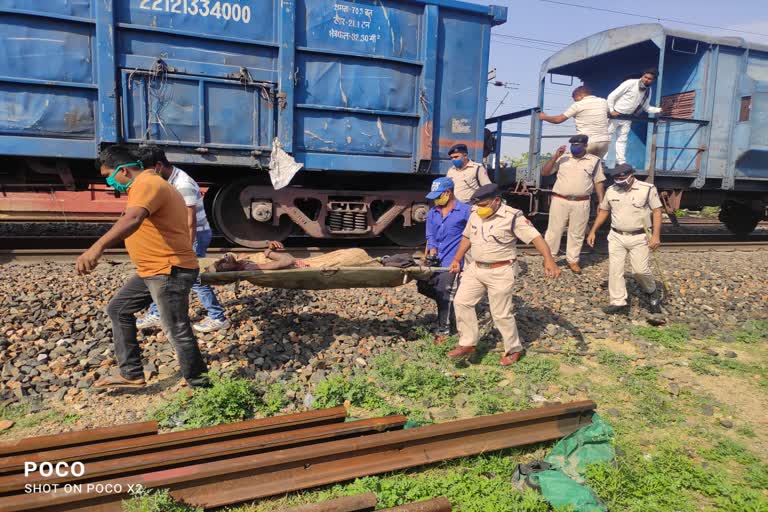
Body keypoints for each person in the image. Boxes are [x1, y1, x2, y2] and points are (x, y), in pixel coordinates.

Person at [76, 146, 208, 389]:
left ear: (123, 170)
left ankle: (202, 385)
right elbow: (131, 219)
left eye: (108, 176)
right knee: (118, 309)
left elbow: (133, 219)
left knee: (176, 329)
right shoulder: (146, 185)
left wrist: (97, 247)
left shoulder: (147, 183)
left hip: (169, 270)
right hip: (153, 270)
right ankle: (131, 373)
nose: (108, 182)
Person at [446, 184, 561, 366]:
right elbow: (467, 237)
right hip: (475, 268)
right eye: (478, 205)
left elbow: (536, 237)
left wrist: (549, 260)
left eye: (484, 204)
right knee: (461, 302)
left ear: (496, 201)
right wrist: (457, 259)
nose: (480, 208)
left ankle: (514, 349)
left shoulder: (512, 217)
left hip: (500, 270)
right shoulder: (476, 212)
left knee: (500, 313)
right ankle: (468, 343)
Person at [135, 146, 230, 333]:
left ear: (159, 166)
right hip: (180, 234)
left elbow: (190, 222)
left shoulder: (182, 184)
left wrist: (186, 248)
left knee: (193, 278)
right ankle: (156, 313)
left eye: (147, 170)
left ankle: (217, 317)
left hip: (193, 235)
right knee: (166, 272)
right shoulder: (167, 179)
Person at [586, 163, 663, 315]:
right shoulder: (611, 190)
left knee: (639, 271)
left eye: (622, 178)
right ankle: (618, 302)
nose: (619, 181)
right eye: (616, 178)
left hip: (640, 236)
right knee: (615, 270)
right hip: (616, 236)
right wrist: (593, 231)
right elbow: (604, 211)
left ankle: (651, 291)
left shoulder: (647, 189)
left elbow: (657, 212)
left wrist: (656, 236)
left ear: (631, 175)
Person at [541, 134, 607, 273]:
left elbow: (598, 182)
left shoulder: (594, 161)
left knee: (577, 233)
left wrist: (601, 201)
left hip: (581, 202)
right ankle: (550, 258)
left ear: (585, 146)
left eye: (578, 145)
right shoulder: (562, 158)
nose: (574, 147)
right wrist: (555, 157)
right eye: (573, 144)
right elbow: (545, 173)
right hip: (560, 200)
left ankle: (573, 260)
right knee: (554, 231)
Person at [419, 177, 471, 345]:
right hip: (436, 259)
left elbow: (471, 235)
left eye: (438, 195)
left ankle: (444, 329)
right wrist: (432, 251)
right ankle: (450, 306)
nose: (435, 199)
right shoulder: (433, 213)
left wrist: (460, 258)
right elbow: (430, 235)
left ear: (448, 193)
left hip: (453, 260)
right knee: (423, 286)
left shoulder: (465, 211)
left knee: (444, 290)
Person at [607, 69, 663, 165]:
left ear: (653, 80)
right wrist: (611, 110)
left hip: (628, 118)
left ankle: (621, 163)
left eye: (649, 79)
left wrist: (659, 110)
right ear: (642, 76)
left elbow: (646, 107)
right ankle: (603, 161)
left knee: (622, 140)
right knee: (607, 137)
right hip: (616, 115)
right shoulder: (630, 83)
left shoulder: (648, 90)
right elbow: (612, 96)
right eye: (645, 77)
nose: (646, 80)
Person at [539, 86, 610, 158]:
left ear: (580, 96)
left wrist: (544, 117)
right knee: (596, 165)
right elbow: (609, 114)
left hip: (587, 142)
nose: (575, 101)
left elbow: (558, 120)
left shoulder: (578, 105)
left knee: (578, 165)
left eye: (575, 99)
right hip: (604, 141)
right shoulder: (603, 102)